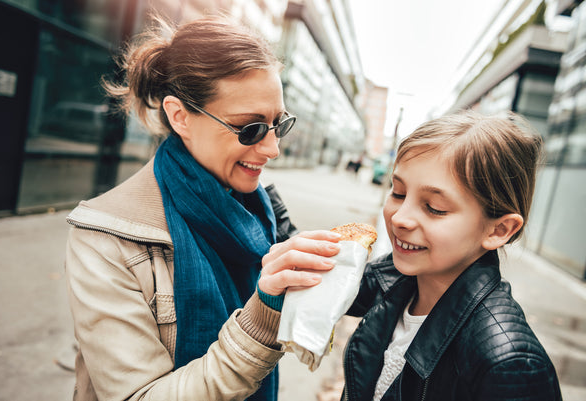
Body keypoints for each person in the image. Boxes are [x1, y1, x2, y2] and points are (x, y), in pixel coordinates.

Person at [65, 15, 341, 401]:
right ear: (180, 116)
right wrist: (260, 322)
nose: (272, 148)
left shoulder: (259, 206)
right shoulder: (106, 240)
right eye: (251, 129)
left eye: (279, 124)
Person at [261, 110, 563, 400]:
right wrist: (256, 191)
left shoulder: (511, 363)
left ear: (499, 230)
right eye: (398, 193)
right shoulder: (393, 278)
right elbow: (314, 267)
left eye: (434, 208)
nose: (400, 218)